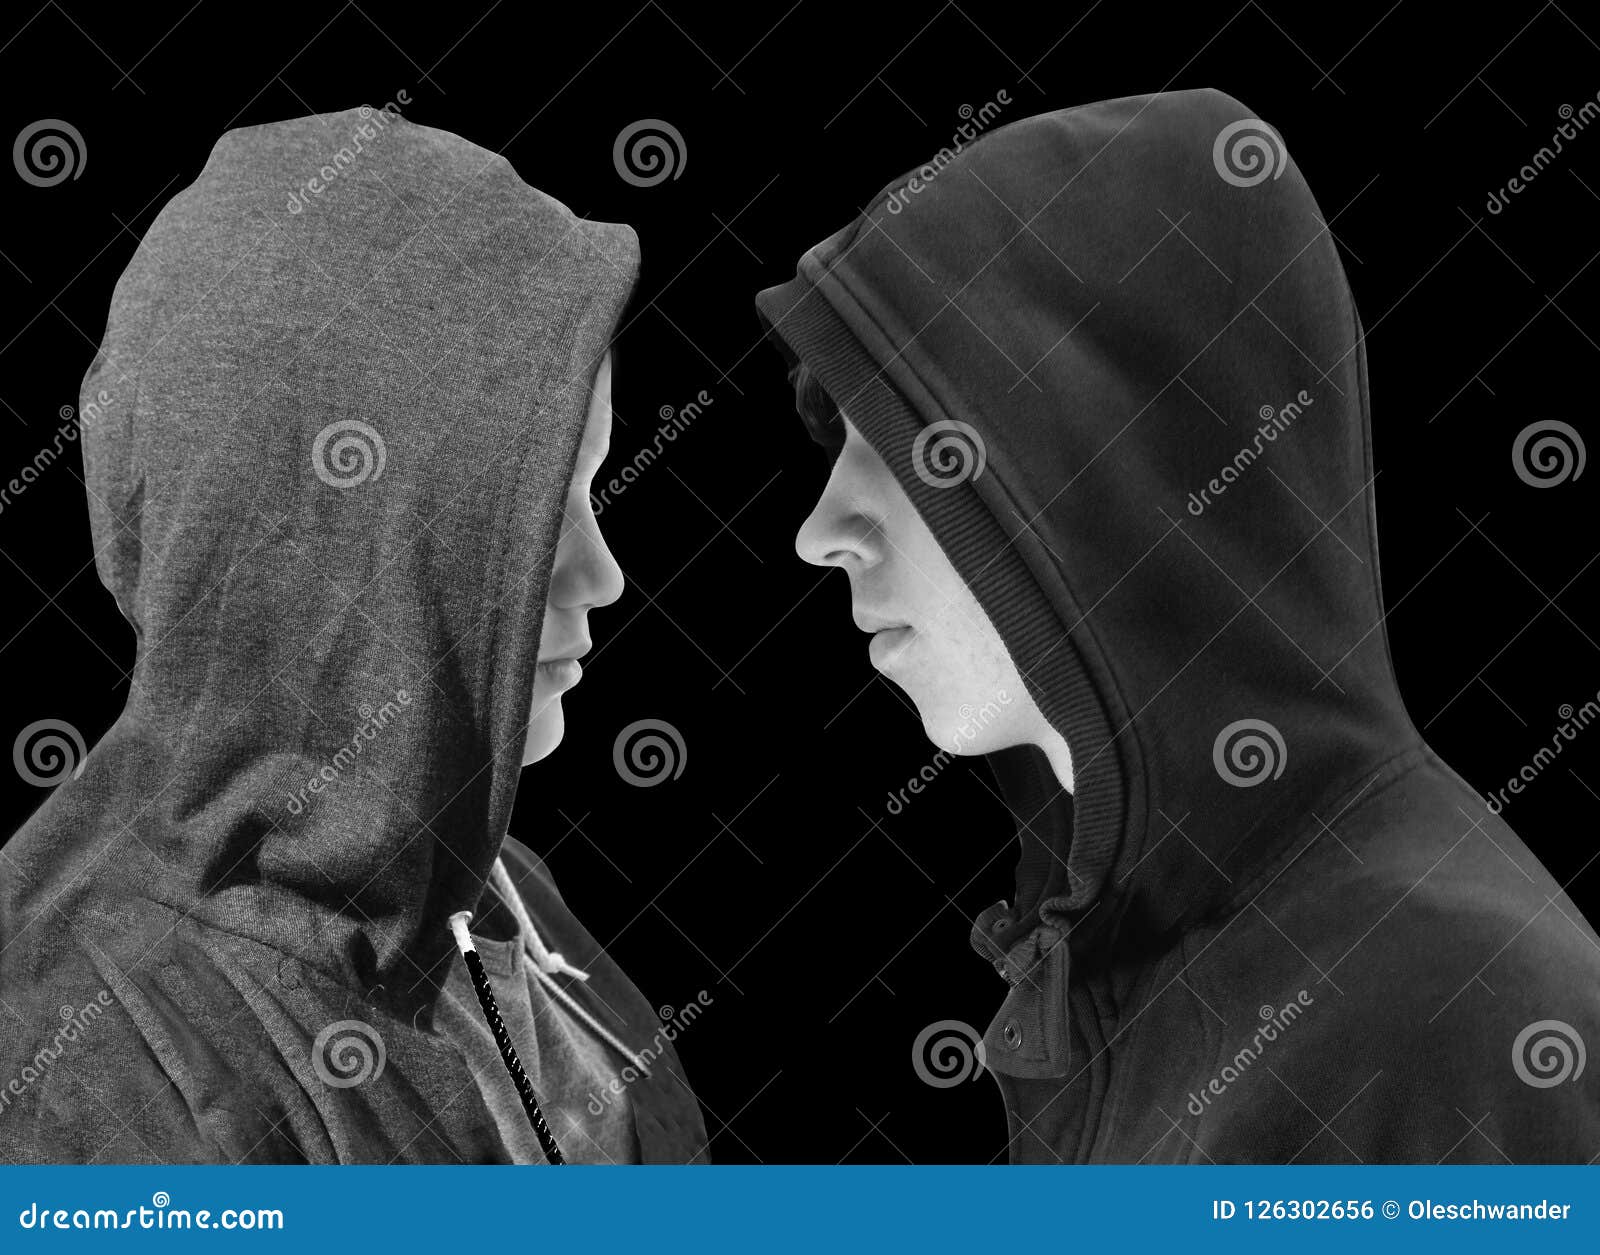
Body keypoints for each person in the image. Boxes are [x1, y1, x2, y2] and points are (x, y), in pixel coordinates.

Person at [757, 87, 1600, 1163]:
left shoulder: (1456, 1010)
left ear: (1117, 466)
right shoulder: (1140, 963)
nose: (820, 531)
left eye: (902, 441)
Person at [0, 106, 706, 1164]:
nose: (604, 575)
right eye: (521, 517)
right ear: (317, 531)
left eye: (587, 493)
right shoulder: (94, 1072)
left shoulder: (496, 885)